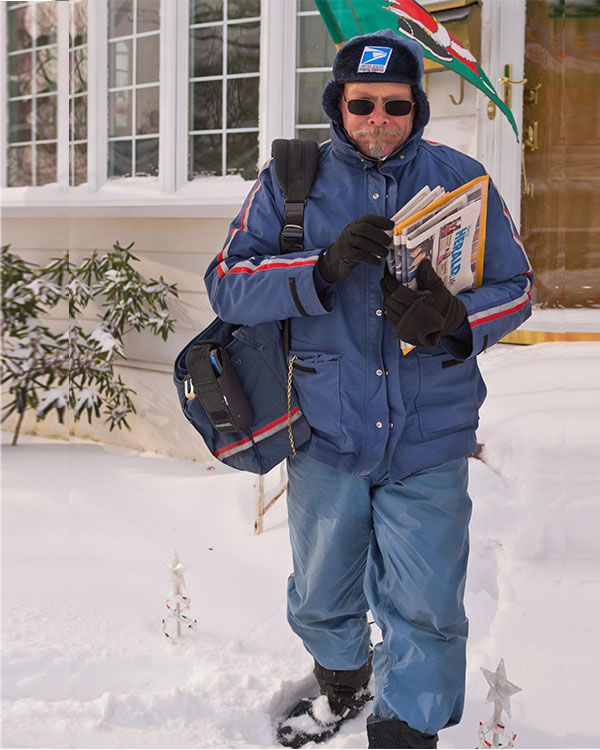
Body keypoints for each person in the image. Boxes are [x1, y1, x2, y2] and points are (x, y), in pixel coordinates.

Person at [204, 29, 532, 750]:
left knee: (427, 604)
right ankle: (344, 684)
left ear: (416, 107)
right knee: (322, 592)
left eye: (396, 104)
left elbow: (518, 288)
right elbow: (226, 285)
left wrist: (457, 322)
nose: (378, 118)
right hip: (326, 430)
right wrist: (320, 268)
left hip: (430, 435)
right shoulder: (291, 182)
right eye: (362, 103)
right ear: (338, 105)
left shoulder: (462, 178)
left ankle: (407, 730)